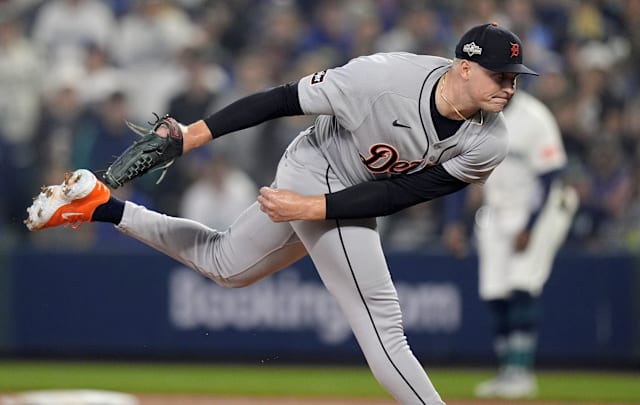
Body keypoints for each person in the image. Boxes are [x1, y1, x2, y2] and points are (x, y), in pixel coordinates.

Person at [25, 23, 537, 404]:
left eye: (515, 78)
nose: (509, 87)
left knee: (226, 265)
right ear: (464, 67)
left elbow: (401, 195)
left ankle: (102, 206)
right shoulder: (381, 79)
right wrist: (194, 135)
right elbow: (281, 99)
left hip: (341, 193)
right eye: (500, 75)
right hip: (315, 165)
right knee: (383, 322)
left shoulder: (489, 140)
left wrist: (315, 209)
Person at [443, 89, 578, 398]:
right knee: (495, 292)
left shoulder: (536, 117)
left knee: (521, 284)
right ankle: (507, 371)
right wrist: (454, 223)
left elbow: (550, 177)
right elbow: (460, 174)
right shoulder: (474, 117)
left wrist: (529, 227)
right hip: (497, 209)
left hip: (540, 209)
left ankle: (521, 373)